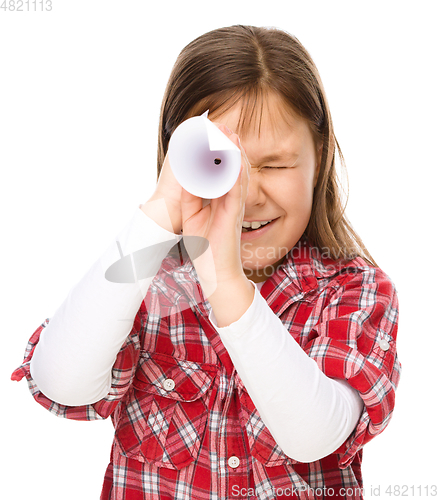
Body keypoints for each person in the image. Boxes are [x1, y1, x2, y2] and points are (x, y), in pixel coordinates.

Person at [11, 25, 401, 500]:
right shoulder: (145, 284)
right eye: (222, 164)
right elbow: (64, 382)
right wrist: (160, 211)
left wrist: (225, 283)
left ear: (318, 159)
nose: (248, 195)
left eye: (275, 166)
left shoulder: (353, 291)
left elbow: (314, 435)